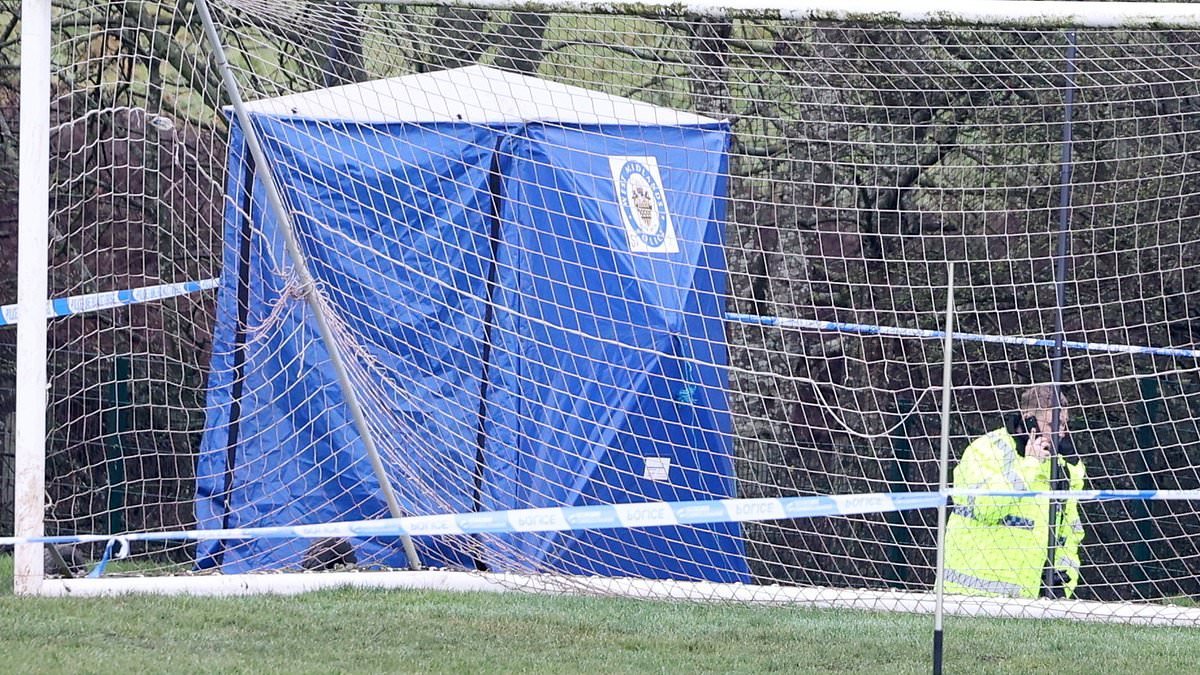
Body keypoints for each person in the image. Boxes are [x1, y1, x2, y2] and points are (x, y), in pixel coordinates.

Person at [944, 384, 1086, 599]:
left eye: (1065, 423)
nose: (1061, 431)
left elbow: (1069, 532)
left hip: (1030, 600)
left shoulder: (1066, 465)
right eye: (1052, 424)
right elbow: (987, 508)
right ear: (1029, 419)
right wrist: (1030, 465)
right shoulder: (987, 449)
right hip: (967, 597)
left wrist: (1065, 583)